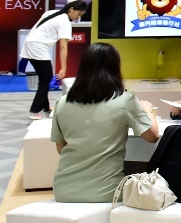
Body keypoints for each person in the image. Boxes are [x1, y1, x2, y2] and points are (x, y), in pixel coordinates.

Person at [50, 43, 160, 202]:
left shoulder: (62, 103)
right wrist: (147, 110)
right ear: (115, 68)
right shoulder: (125, 100)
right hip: (108, 191)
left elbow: (61, 148)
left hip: (63, 190)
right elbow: (152, 136)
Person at [23, 0, 87, 119]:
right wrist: (63, 68)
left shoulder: (51, 13)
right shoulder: (64, 22)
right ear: (71, 9)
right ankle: (34, 111)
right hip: (38, 47)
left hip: (29, 43)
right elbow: (63, 47)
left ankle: (46, 108)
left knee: (44, 79)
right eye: (79, 14)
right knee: (46, 80)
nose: (78, 17)